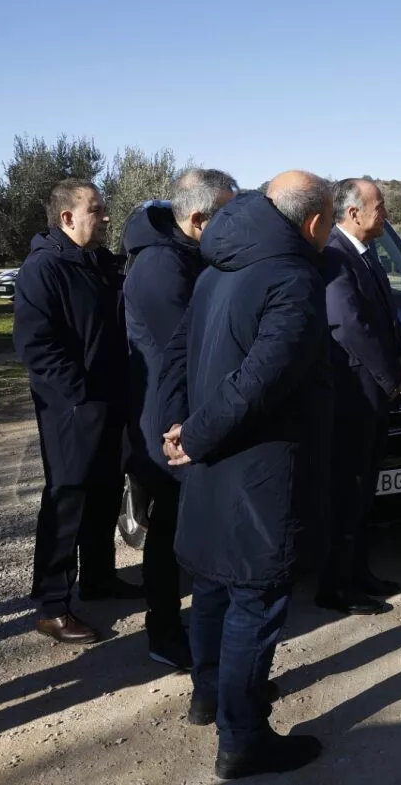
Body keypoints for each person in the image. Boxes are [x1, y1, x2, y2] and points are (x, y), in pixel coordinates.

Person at [157, 173, 330, 780]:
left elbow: (177, 355)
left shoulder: (215, 268)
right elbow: (260, 381)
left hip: (211, 462)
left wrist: (178, 426)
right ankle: (243, 738)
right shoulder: (294, 278)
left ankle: (209, 696)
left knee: (212, 585)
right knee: (254, 603)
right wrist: (194, 435)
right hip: (260, 471)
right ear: (314, 223)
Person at [13, 178, 141, 645]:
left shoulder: (98, 263)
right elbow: (36, 346)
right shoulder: (43, 269)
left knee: (105, 492)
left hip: (109, 402)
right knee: (67, 499)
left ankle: (99, 578)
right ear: (67, 217)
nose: (106, 217)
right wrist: (80, 396)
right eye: (96, 209)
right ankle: (52, 606)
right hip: (71, 409)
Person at [122, 168, 237, 668]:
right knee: (168, 530)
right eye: (227, 215)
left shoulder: (184, 255)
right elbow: (189, 347)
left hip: (185, 412)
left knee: (183, 526)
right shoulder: (161, 266)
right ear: (198, 219)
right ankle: (164, 632)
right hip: (167, 420)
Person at [316, 178, 401, 616]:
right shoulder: (335, 255)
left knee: (362, 496)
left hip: (371, 397)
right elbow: (349, 326)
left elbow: (386, 320)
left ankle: (359, 574)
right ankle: (336, 587)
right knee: (347, 495)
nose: (385, 213)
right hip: (353, 398)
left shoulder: (364, 252)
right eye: (380, 206)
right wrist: (393, 377)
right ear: (354, 213)